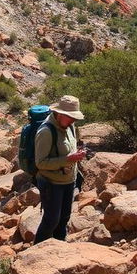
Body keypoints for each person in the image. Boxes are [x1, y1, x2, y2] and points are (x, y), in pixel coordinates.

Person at [33, 94, 86, 244]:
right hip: (51, 183)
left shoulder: (70, 126)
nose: (73, 121)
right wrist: (67, 159)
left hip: (68, 180)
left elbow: (70, 147)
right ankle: (36, 252)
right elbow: (40, 163)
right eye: (70, 117)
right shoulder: (46, 132)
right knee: (51, 220)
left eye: (74, 118)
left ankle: (59, 247)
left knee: (64, 219)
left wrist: (77, 154)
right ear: (59, 113)